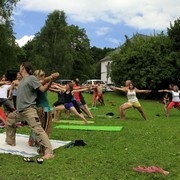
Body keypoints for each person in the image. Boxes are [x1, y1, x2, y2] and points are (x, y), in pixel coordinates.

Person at [5, 62, 54, 160]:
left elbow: (43, 89)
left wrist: (51, 81)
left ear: (23, 67)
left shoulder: (32, 78)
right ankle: (11, 141)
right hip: (19, 111)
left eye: (20, 66)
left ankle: (49, 152)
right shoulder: (23, 80)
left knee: (38, 129)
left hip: (29, 110)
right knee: (9, 120)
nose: (19, 68)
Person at [28, 69, 59, 154]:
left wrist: (51, 81)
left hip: (40, 108)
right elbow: (43, 83)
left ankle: (35, 142)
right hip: (44, 108)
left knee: (38, 126)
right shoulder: (37, 83)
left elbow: (45, 87)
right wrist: (51, 77)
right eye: (41, 75)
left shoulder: (36, 84)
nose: (43, 76)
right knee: (45, 127)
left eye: (43, 75)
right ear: (36, 76)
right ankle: (43, 147)